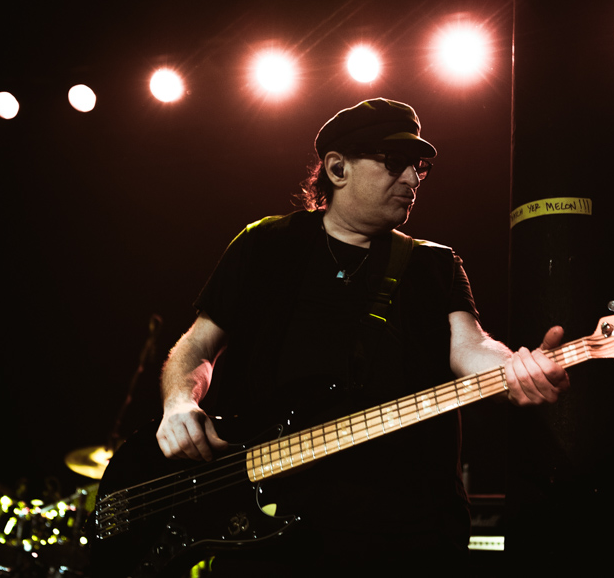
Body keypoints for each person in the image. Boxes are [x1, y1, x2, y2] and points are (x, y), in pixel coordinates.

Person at [154, 98, 569, 574]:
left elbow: (470, 345)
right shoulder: (266, 245)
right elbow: (198, 344)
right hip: (264, 532)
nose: (413, 180)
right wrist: (179, 402)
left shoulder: (433, 264)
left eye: (419, 168)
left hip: (403, 533)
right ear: (337, 168)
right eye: (395, 164)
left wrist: (514, 368)